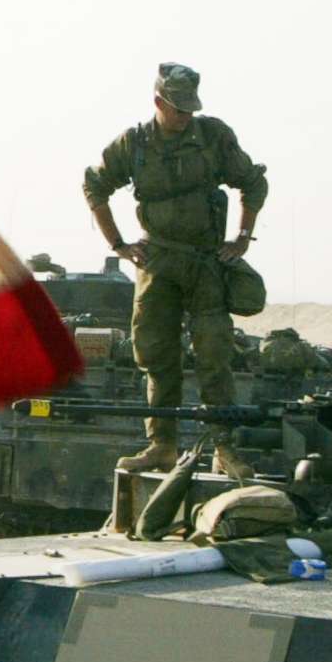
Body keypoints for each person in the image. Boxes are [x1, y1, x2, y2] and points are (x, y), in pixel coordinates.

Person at [82, 63, 267, 476]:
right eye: (178, 108)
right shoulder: (133, 143)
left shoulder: (214, 136)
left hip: (206, 263)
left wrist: (241, 237)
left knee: (214, 356)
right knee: (155, 355)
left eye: (190, 109)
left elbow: (252, 182)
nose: (185, 117)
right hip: (158, 261)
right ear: (158, 102)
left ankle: (224, 449)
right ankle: (160, 445)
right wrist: (118, 245)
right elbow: (94, 184)